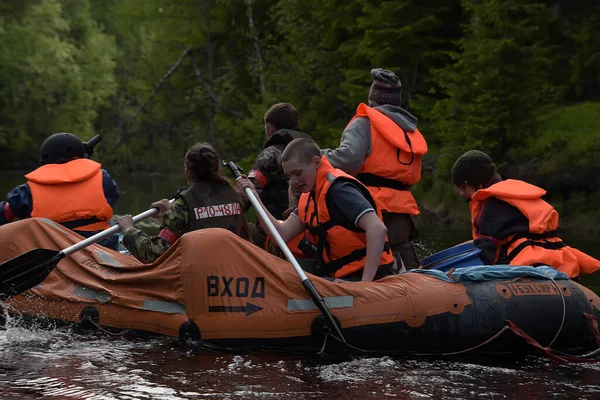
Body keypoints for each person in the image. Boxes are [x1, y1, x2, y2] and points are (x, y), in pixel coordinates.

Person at [236, 138, 396, 282]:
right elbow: (281, 235)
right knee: (284, 274)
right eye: (289, 176)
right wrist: (255, 198)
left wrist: (364, 285)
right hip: (342, 275)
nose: (294, 182)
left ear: (317, 163)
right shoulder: (310, 197)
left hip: (370, 275)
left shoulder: (339, 189)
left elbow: (377, 228)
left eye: (298, 173)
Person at [322, 68, 427, 270]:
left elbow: (348, 160)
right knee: (408, 267)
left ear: (372, 99)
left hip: (368, 209)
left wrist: (318, 156)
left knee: (368, 265)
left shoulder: (364, 122)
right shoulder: (408, 129)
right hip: (401, 215)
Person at [451, 150, 600, 278]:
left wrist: (454, 274)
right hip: (557, 263)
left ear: (479, 184)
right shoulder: (510, 198)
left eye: (464, 187)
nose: (461, 193)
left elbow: (486, 254)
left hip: (528, 265)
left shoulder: (491, 208)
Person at [117, 142, 249, 263]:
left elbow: (154, 254)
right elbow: (208, 217)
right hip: (231, 269)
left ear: (187, 172)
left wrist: (129, 229)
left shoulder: (182, 207)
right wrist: (170, 212)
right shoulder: (234, 196)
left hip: (199, 277)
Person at [0, 132, 120, 249]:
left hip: (54, 249)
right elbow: (111, 197)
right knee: (110, 220)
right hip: (101, 245)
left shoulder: (28, 190)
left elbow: (6, 212)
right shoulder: (102, 177)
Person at [245, 102, 313, 248]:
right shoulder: (310, 152)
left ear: (270, 127)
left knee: (243, 236)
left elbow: (248, 192)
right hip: (309, 225)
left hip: (276, 229)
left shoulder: (270, 154)